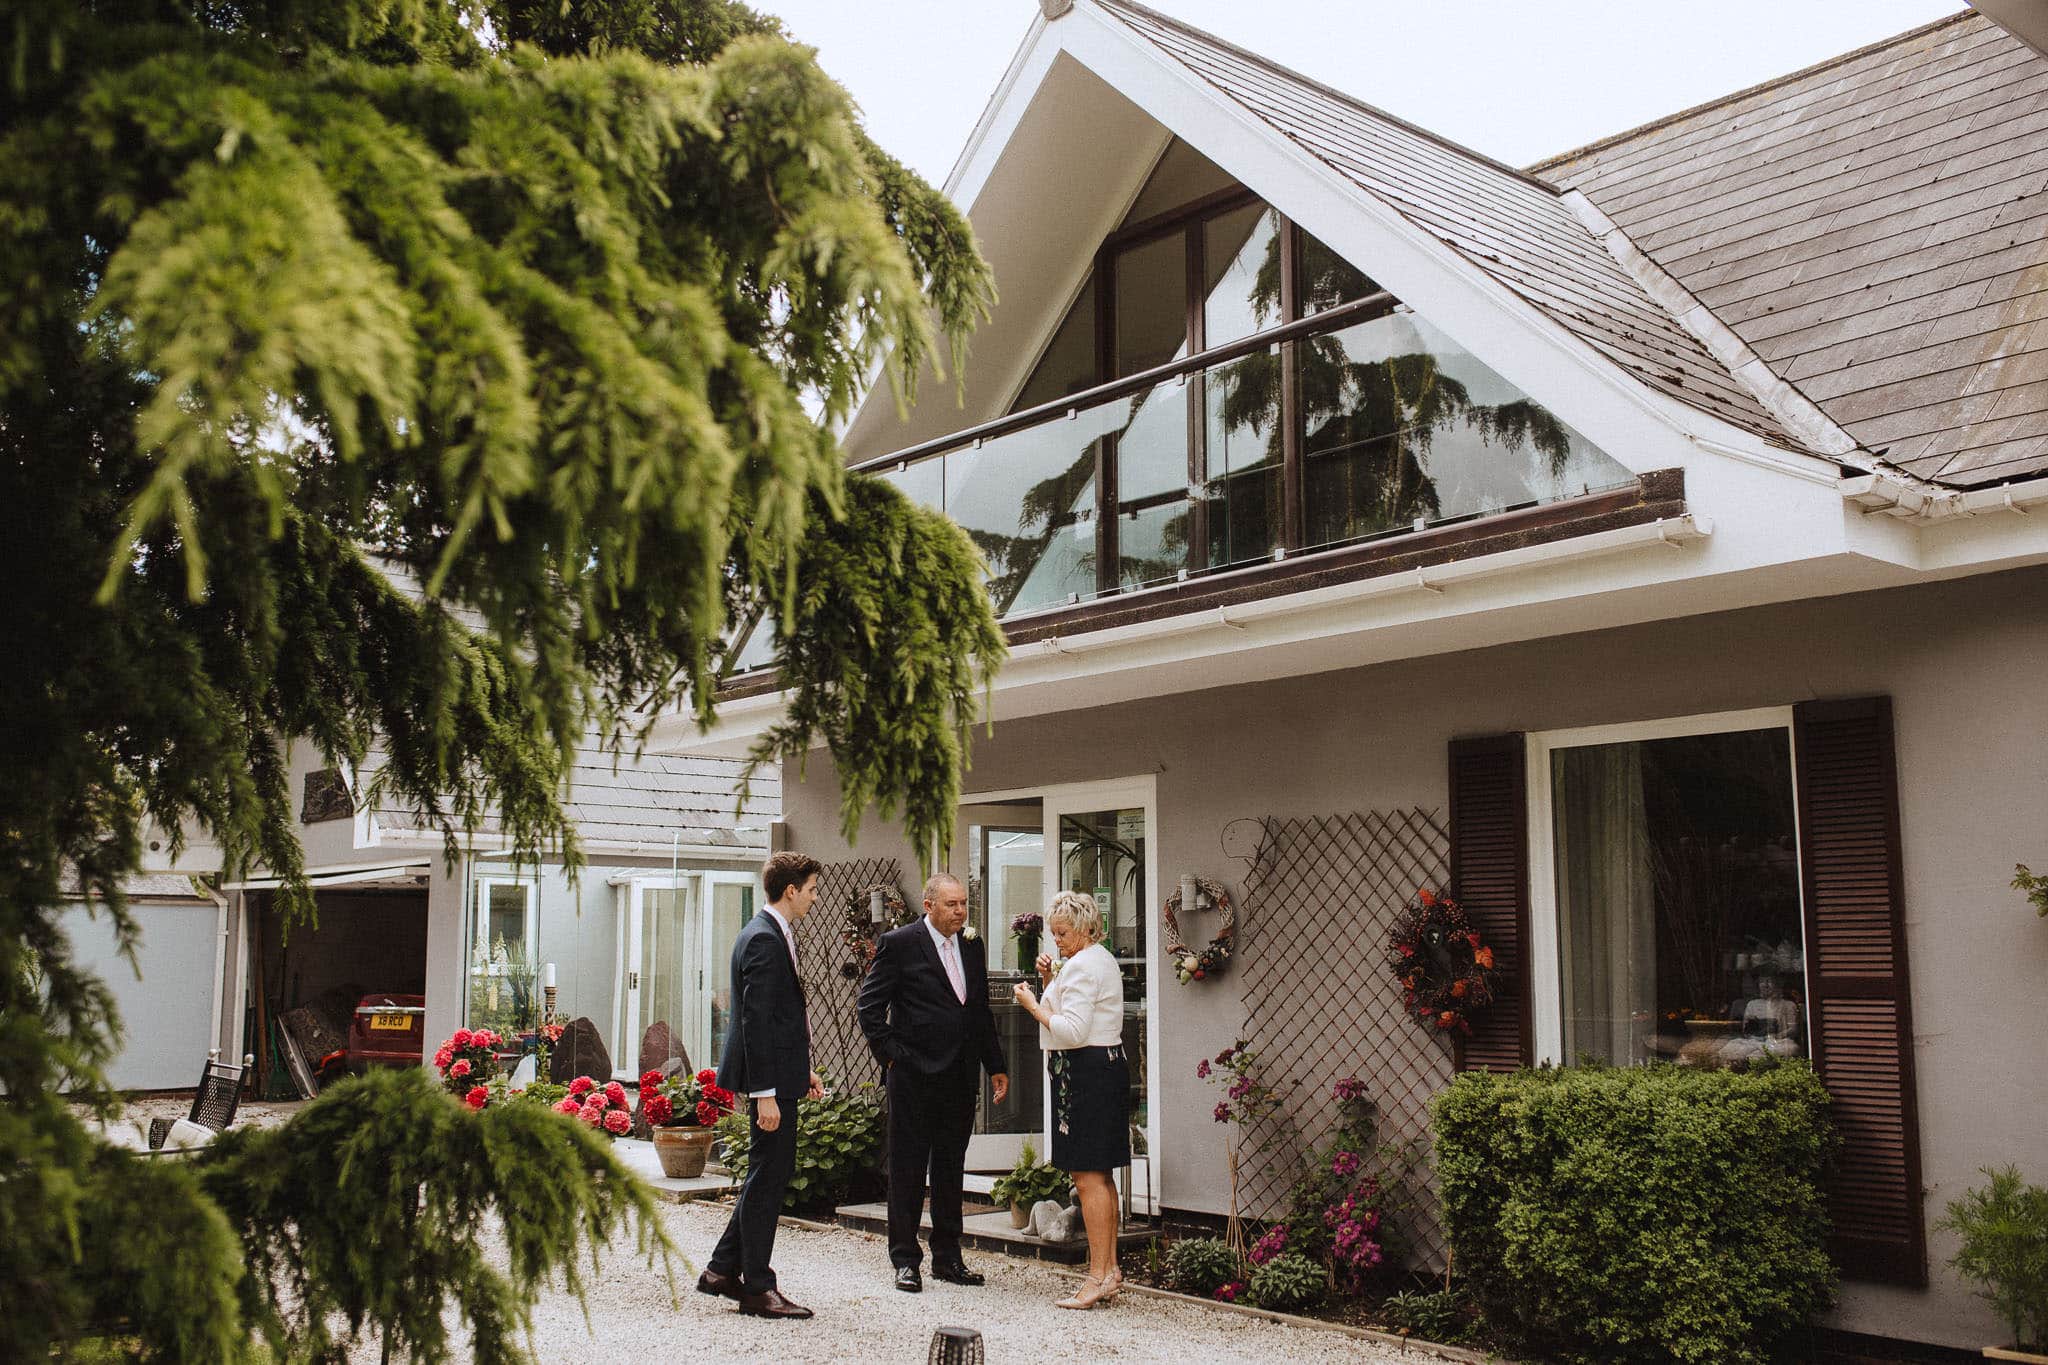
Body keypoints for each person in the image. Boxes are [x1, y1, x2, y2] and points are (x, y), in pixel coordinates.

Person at [857, 873, 1011, 1293]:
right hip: (912, 1077)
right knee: (907, 1169)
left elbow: (978, 1010)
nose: (961, 911)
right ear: (929, 906)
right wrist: (892, 1057)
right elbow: (869, 1009)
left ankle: (949, 1258)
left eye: (963, 904)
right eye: (952, 905)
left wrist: (995, 1064)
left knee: (949, 1169)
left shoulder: (972, 944)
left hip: (959, 1075)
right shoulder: (900, 944)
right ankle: (905, 1260)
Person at [697, 851, 824, 1319]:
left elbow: (780, 1019)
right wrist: (766, 1092)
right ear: (790, 890)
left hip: (779, 1076)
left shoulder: (769, 933)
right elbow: (755, 1021)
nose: (813, 898)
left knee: (765, 1174)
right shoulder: (764, 940)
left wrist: (799, 1070)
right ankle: (757, 1287)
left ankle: (720, 1270)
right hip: (766, 1084)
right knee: (768, 1178)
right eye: (810, 889)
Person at [1011, 889, 1129, 1310]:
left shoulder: (1083, 965)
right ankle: (1110, 1270)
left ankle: (1097, 1276)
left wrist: (1029, 1004)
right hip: (1103, 1068)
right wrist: (1047, 983)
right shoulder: (1096, 959)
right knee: (1101, 1175)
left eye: (1061, 933)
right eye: (1053, 934)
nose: (1055, 941)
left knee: (1087, 1176)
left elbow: (1072, 1030)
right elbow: (1074, 1013)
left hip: (1086, 1073)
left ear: (1083, 928)